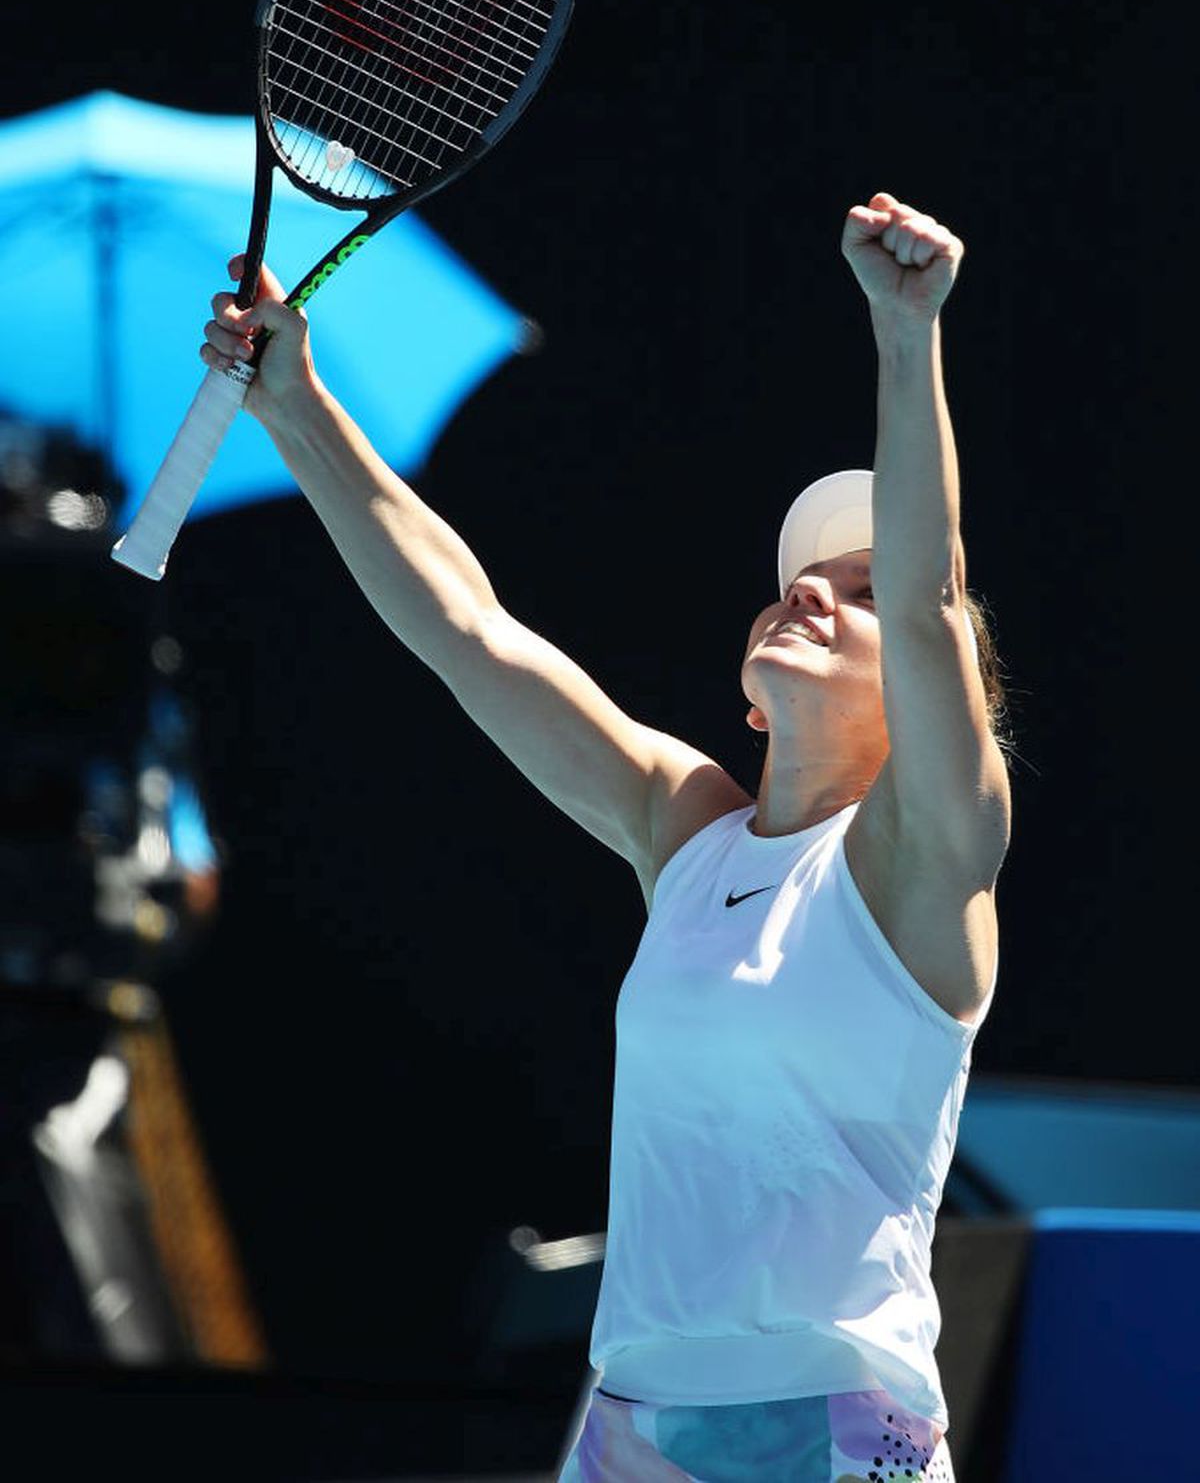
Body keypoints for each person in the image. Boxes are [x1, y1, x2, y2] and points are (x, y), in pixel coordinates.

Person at [201, 190, 1010, 1482]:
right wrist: (294, 406)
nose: (812, 587)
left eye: (855, 595)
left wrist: (906, 333)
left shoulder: (928, 866)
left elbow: (926, 606)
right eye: (799, 578)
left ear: (928, 695)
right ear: (748, 692)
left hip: (830, 1428)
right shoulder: (685, 830)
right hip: (632, 1425)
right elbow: (471, 630)